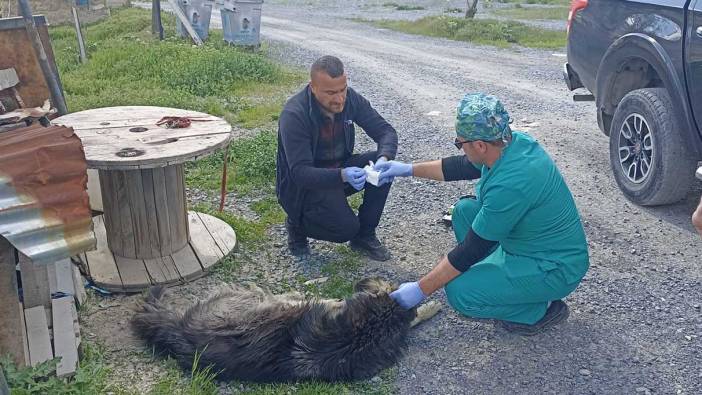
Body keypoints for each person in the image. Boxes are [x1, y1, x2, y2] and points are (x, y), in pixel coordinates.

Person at [376, 93, 590, 335]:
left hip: (553, 267)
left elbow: (471, 249)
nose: (460, 148)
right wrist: (406, 170)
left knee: (460, 292)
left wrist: (420, 289)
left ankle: (539, 310)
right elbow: (461, 166)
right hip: (530, 244)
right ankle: (497, 281)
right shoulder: (511, 143)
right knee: (464, 212)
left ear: (479, 145)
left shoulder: (511, 185)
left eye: (460, 143)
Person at [276, 55, 398, 261]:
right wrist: (342, 175)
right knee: (345, 229)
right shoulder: (294, 114)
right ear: (312, 87)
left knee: (385, 170)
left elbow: (386, 131)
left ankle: (365, 235)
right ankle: (296, 225)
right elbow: (300, 173)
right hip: (305, 186)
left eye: (342, 89)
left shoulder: (351, 99)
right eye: (331, 92)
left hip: (339, 171)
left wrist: (384, 159)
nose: (339, 98)